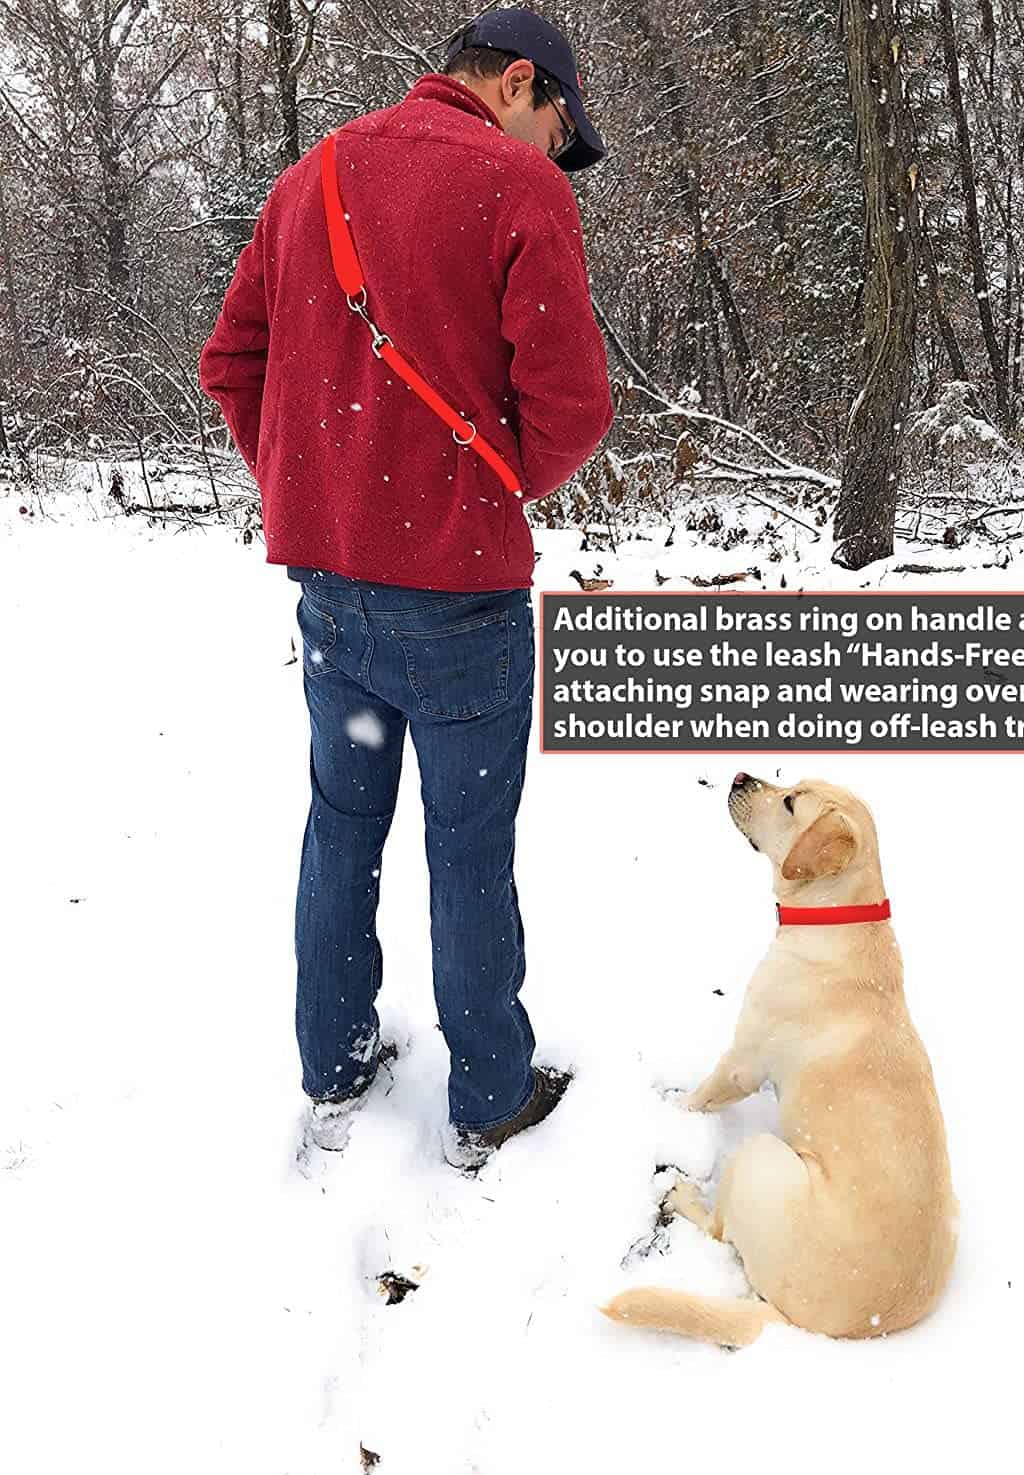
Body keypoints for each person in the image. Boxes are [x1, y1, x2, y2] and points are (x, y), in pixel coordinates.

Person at [198, 9, 615, 1169]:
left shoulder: (310, 178)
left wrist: (314, 487)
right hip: (461, 605)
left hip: (335, 600)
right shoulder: (516, 190)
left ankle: (332, 1063)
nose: (551, 154)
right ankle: (487, 1094)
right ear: (520, 82)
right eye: (556, 129)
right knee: (468, 841)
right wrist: (493, 487)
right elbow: (574, 409)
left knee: (344, 826)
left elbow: (229, 362)